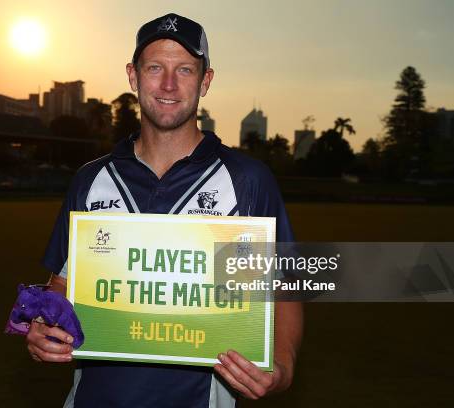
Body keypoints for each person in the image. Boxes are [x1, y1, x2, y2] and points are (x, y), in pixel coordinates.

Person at [26, 13, 303, 408]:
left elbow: (282, 286)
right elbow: (62, 285)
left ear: (205, 82)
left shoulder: (247, 181)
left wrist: (284, 365)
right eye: (155, 67)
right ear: (133, 76)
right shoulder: (91, 179)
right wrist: (44, 325)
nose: (168, 84)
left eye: (185, 69)